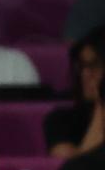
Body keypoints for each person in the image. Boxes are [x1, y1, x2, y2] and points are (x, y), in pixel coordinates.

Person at [44, 27, 104, 160]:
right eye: (82, 66)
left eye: (95, 65)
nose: (85, 74)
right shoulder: (62, 120)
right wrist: (101, 105)